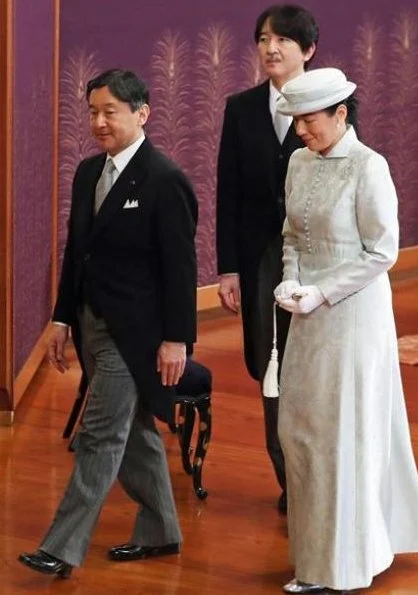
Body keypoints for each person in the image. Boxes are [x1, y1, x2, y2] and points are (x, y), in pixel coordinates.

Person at [18, 69, 198, 578]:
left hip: (137, 335)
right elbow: (78, 254)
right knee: (134, 429)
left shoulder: (165, 180)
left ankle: (61, 547)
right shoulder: (86, 173)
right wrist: (60, 320)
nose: (98, 122)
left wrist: (177, 339)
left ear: (142, 114)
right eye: (92, 111)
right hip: (91, 325)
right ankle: (161, 528)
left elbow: (181, 271)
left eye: (109, 112)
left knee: (98, 435)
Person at [273, 67, 418, 592]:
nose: (301, 131)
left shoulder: (370, 167)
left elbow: (382, 251)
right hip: (308, 314)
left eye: (310, 120)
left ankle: (341, 566)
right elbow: (292, 234)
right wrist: (291, 281)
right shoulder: (298, 162)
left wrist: (323, 291)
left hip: (353, 317)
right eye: (296, 120)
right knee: (300, 431)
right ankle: (314, 557)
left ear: (341, 114)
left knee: (340, 434)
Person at [216, 4, 319, 513]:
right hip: (260, 258)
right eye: (262, 39)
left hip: (316, 257)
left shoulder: (335, 103)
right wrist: (229, 266)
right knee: (268, 363)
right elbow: (227, 192)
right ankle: (288, 479)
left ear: (309, 50)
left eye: (281, 39)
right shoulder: (240, 108)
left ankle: (314, 476)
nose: (270, 48)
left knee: (311, 363)